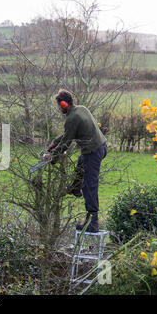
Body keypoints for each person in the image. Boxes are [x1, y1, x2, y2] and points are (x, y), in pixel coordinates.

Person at [44, 89, 107, 233]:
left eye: (59, 105)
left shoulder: (72, 119)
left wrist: (53, 155)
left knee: (89, 186)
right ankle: (75, 188)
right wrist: (55, 142)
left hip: (93, 151)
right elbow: (68, 134)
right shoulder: (81, 109)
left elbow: (67, 142)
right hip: (102, 146)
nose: (59, 108)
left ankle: (93, 223)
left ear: (64, 104)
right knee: (81, 163)